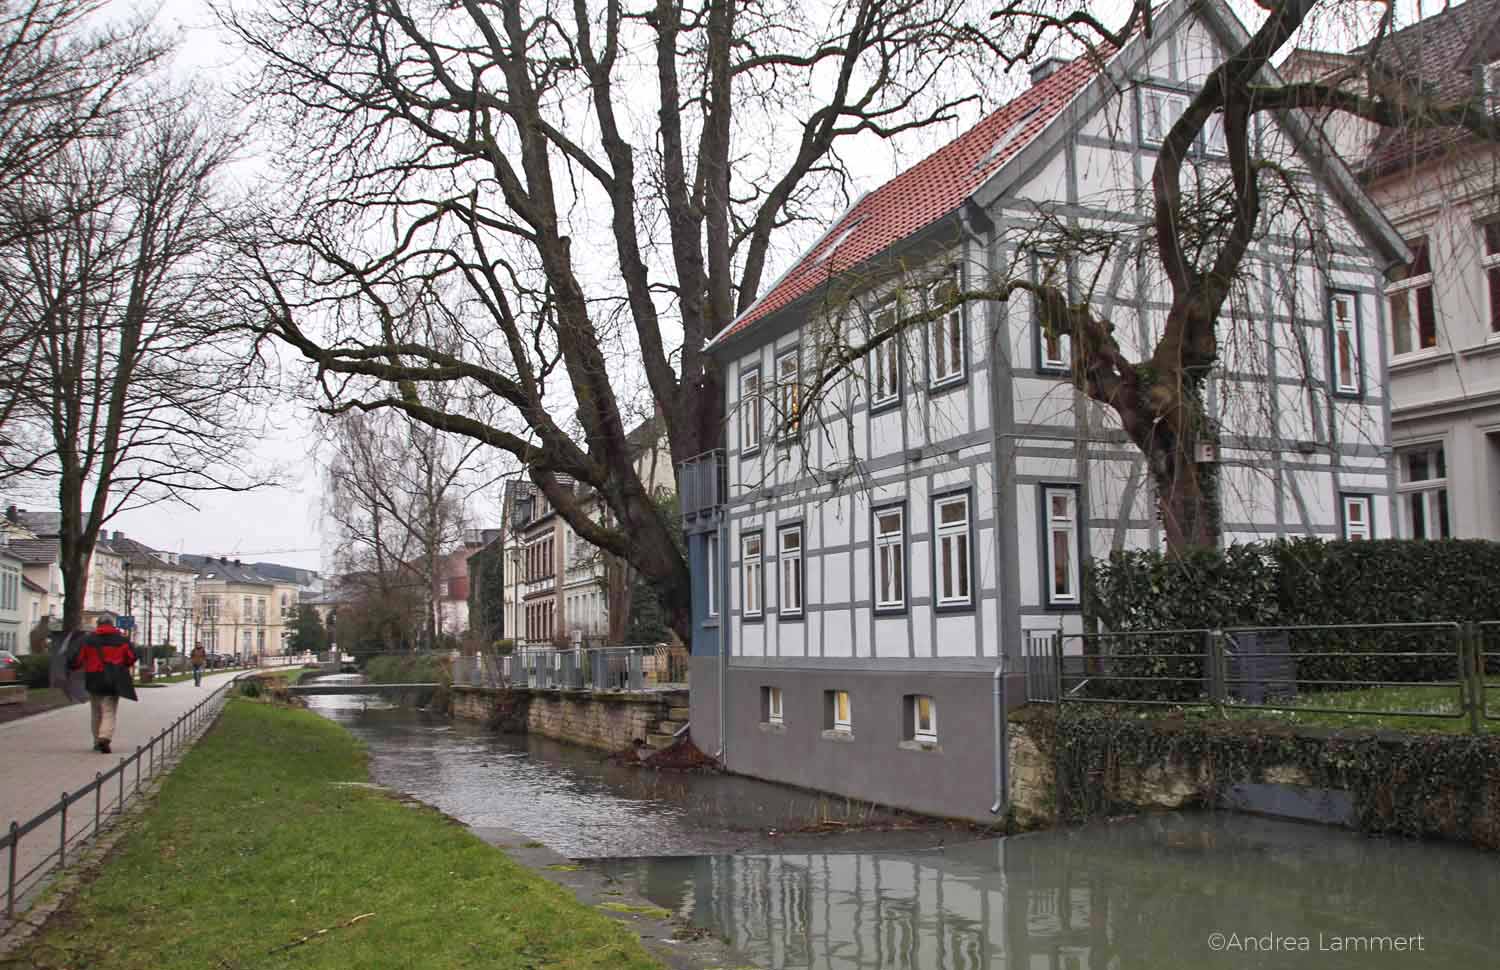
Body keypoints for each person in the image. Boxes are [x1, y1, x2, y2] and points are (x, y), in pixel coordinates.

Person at [70, 613, 138, 753]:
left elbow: (77, 661)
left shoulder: (88, 640)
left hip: (94, 678)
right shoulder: (122, 640)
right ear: (112, 625)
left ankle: (96, 741)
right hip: (114, 679)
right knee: (109, 710)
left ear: (98, 625)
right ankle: (105, 737)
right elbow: (131, 658)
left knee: (96, 711)